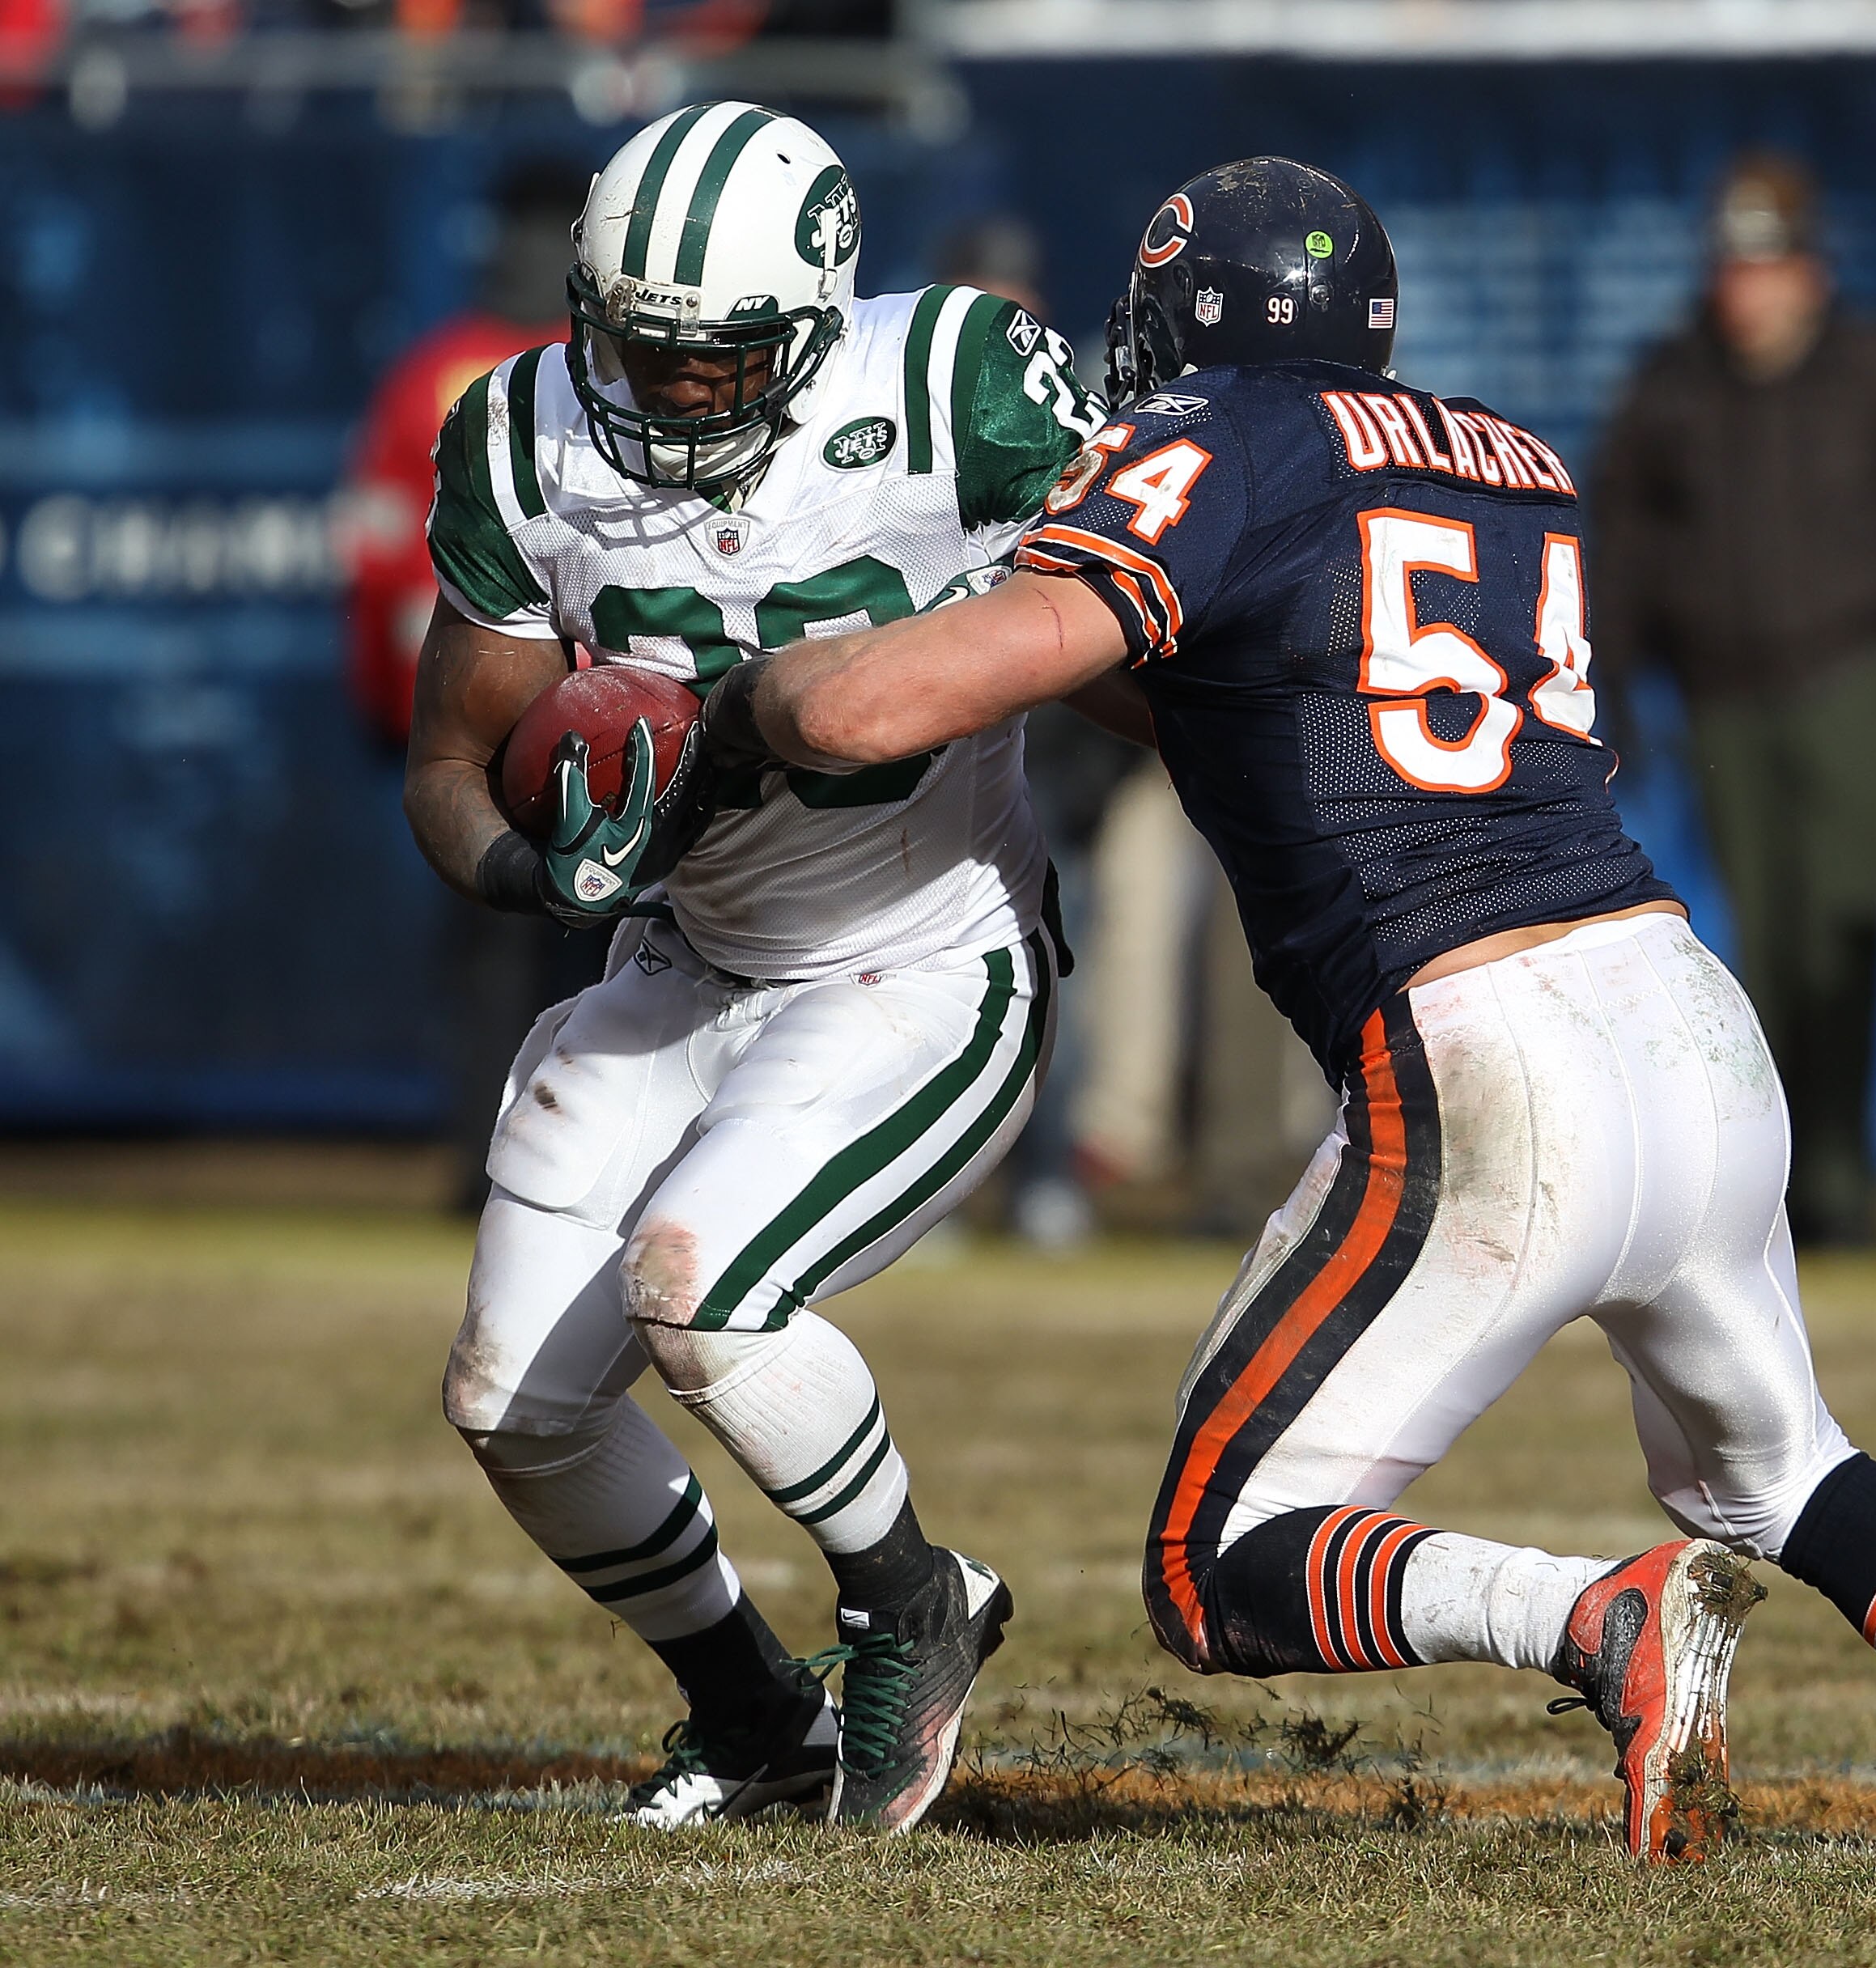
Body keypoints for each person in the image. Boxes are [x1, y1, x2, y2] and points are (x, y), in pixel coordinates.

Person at [690, 157, 1876, 1867]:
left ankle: (1598, 1619)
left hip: (1485, 1059)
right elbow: (1275, 705)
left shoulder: (1212, 443)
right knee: (1795, 1470)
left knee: (1219, 1558)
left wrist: (750, 685)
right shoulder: (1514, 456)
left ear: (1193, 322)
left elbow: (878, 707)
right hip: (1685, 1019)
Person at [401, 101, 1101, 1831]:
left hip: (924, 951)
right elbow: (441, 758)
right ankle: (749, 1708)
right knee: (510, 1396)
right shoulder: (520, 432)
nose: (670, 391)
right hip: (694, 952)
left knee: (700, 1283)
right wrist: (525, 866)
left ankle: (912, 1601)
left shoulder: (954, 380)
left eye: (717, 362)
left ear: (818, 320)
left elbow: (1156, 585)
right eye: (638, 348)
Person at [1588, 154, 1876, 1245]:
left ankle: (1845, 1179)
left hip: (1846, 681)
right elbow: (1614, 543)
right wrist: (1613, 681)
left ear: (1811, 274)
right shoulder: (1670, 383)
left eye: (1769, 266)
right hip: (1718, 690)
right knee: (1755, 948)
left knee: (1843, 937)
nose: (1749, 289)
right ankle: (1769, 1179)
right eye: (1733, 266)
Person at [339, 157, 605, 1207]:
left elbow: (369, 559)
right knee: (546, 945)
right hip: (563, 709)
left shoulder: (447, 369)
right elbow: (374, 549)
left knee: (532, 946)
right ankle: (512, 1162)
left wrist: (388, 691)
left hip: (522, 705)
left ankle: (503, 1163)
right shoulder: (572, 367)